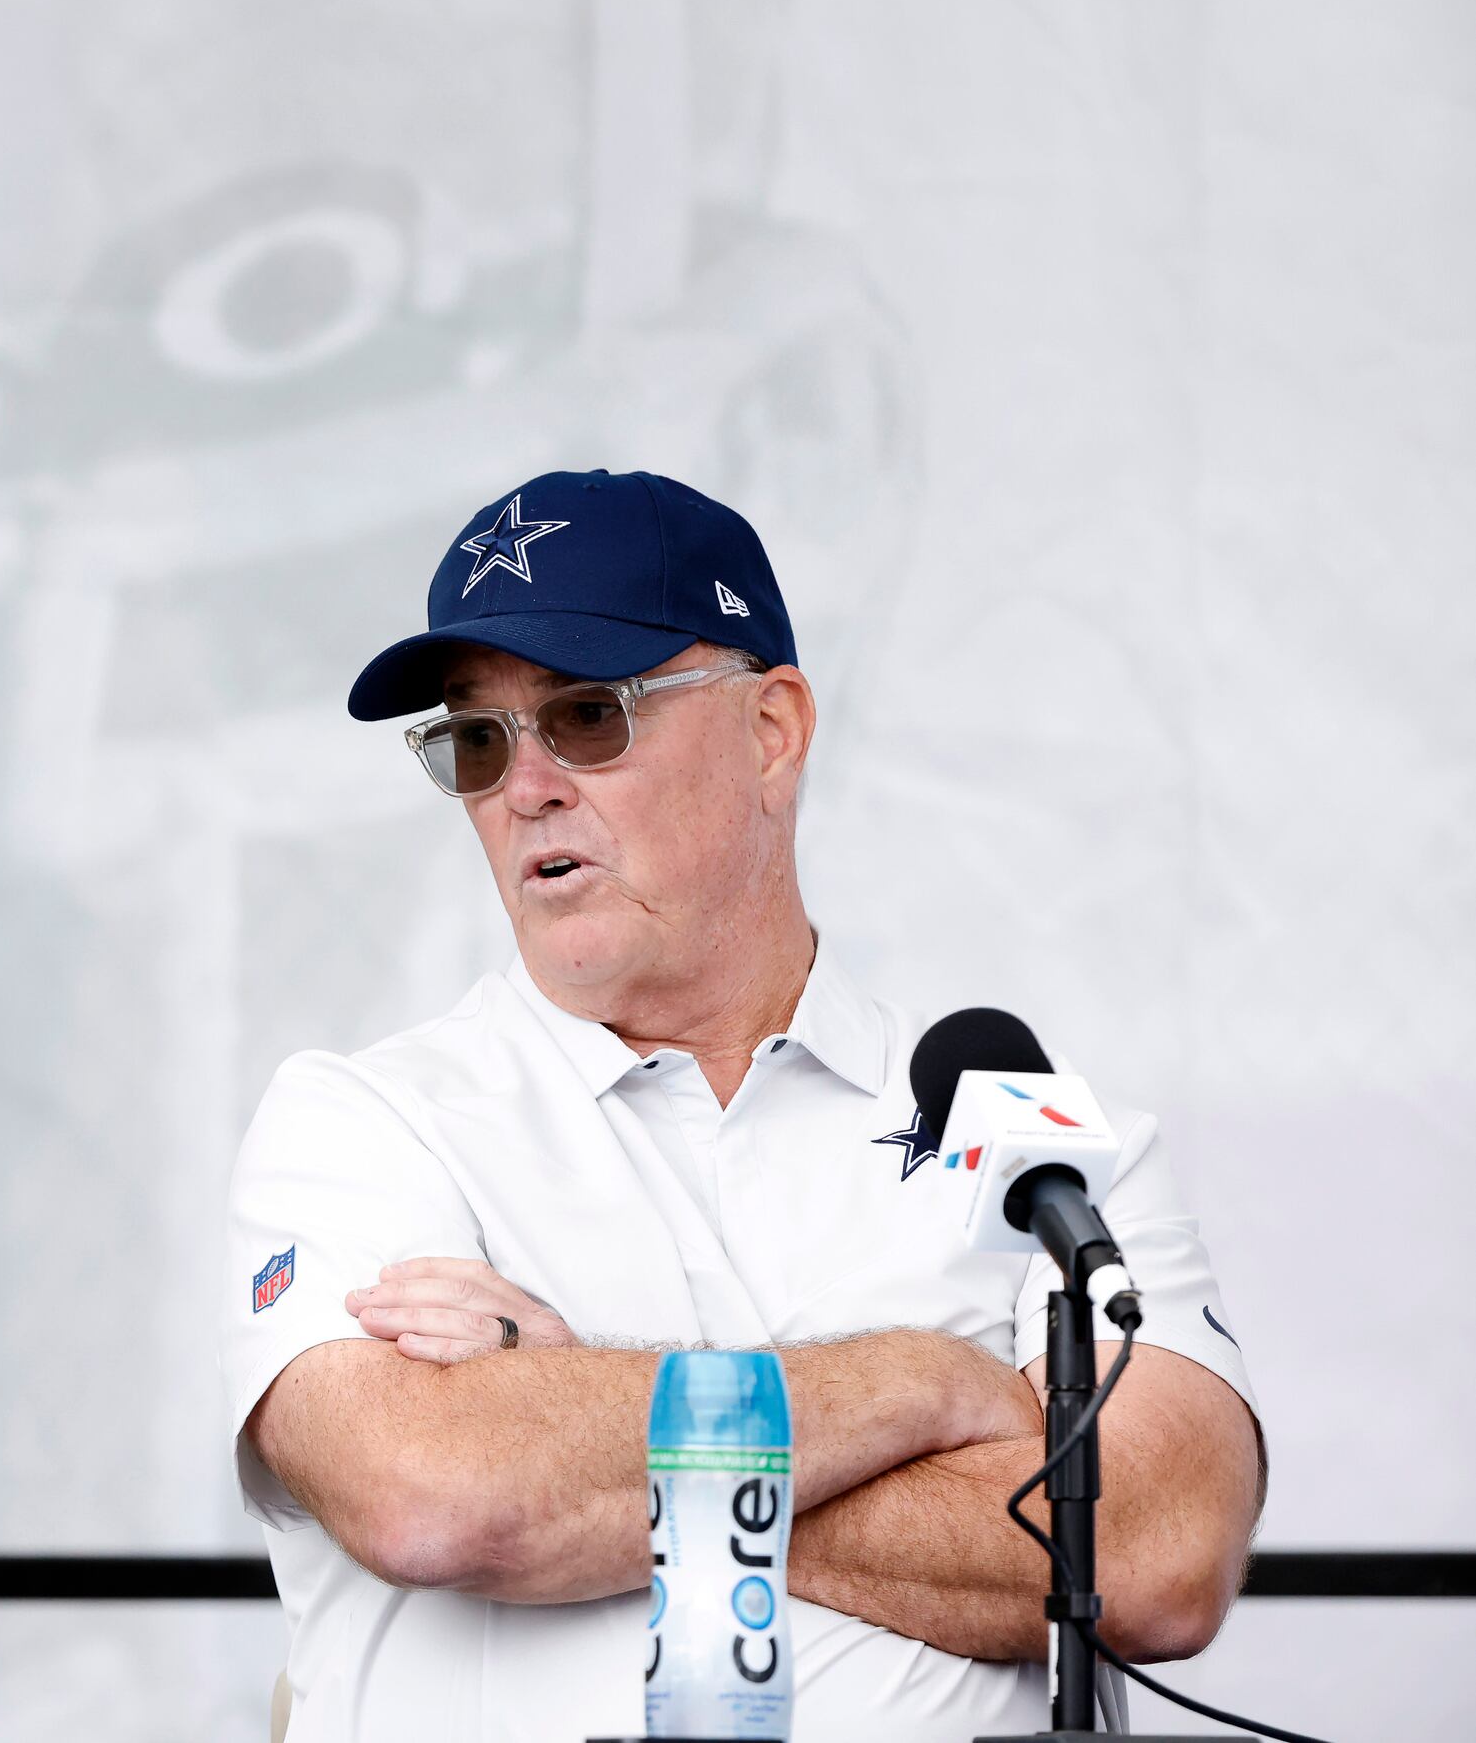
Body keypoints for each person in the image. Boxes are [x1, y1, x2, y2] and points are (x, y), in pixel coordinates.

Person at [221, 469, 1263, 1742]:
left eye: (587, 716)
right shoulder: (362, 1120)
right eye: (476, 741)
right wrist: (927, 1390)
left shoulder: (1016, 1118)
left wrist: (587, 1422)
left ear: (772, 730)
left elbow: (1156, 1551)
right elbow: (440, 1498)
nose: (525, 787)